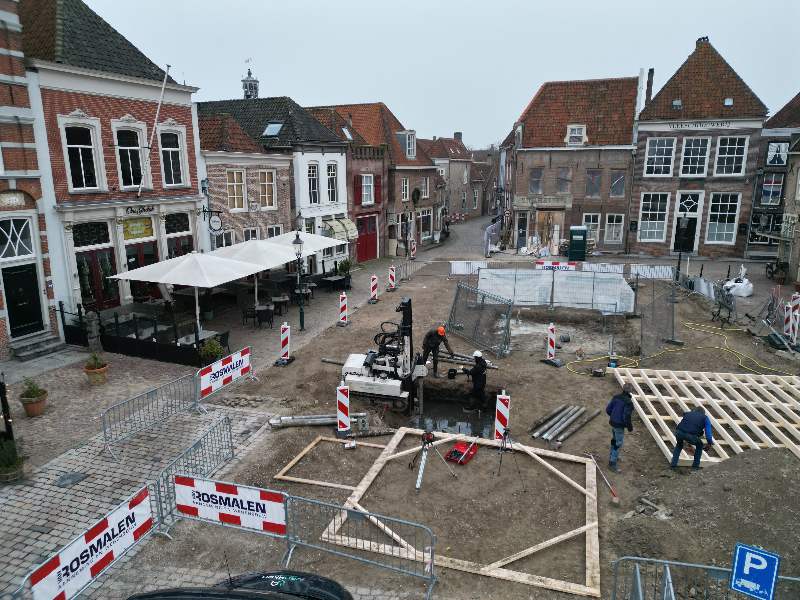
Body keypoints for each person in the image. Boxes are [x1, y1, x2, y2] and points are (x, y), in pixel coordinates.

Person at [606, 383, 634, 473]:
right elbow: (626, 416)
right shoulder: (628, 402)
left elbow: (608, 409)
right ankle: (612, 463)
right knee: (618, 443)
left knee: (614, 439)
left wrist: (613, 416)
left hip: (613, 423)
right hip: (619, 425)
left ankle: (613, 456)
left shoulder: (616, 397)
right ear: (630, 391)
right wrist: (629, 427)